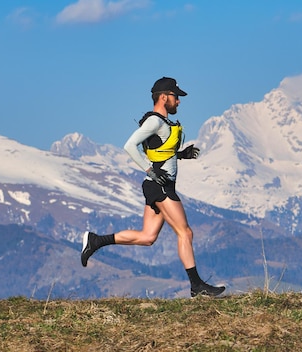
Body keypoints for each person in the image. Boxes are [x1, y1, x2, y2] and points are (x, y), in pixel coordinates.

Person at [80, 77, 225, 298]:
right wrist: (149, 170)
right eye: (176, 97)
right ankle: (196, 286)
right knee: (185, 232)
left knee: (147, 237)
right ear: (164, 97)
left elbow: (161, 152)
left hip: (157, 185)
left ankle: (96, 241)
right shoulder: (155, 122)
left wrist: (181, 155)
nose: (179, 101)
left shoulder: (163, 124)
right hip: (160, 185)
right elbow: (129, 146)